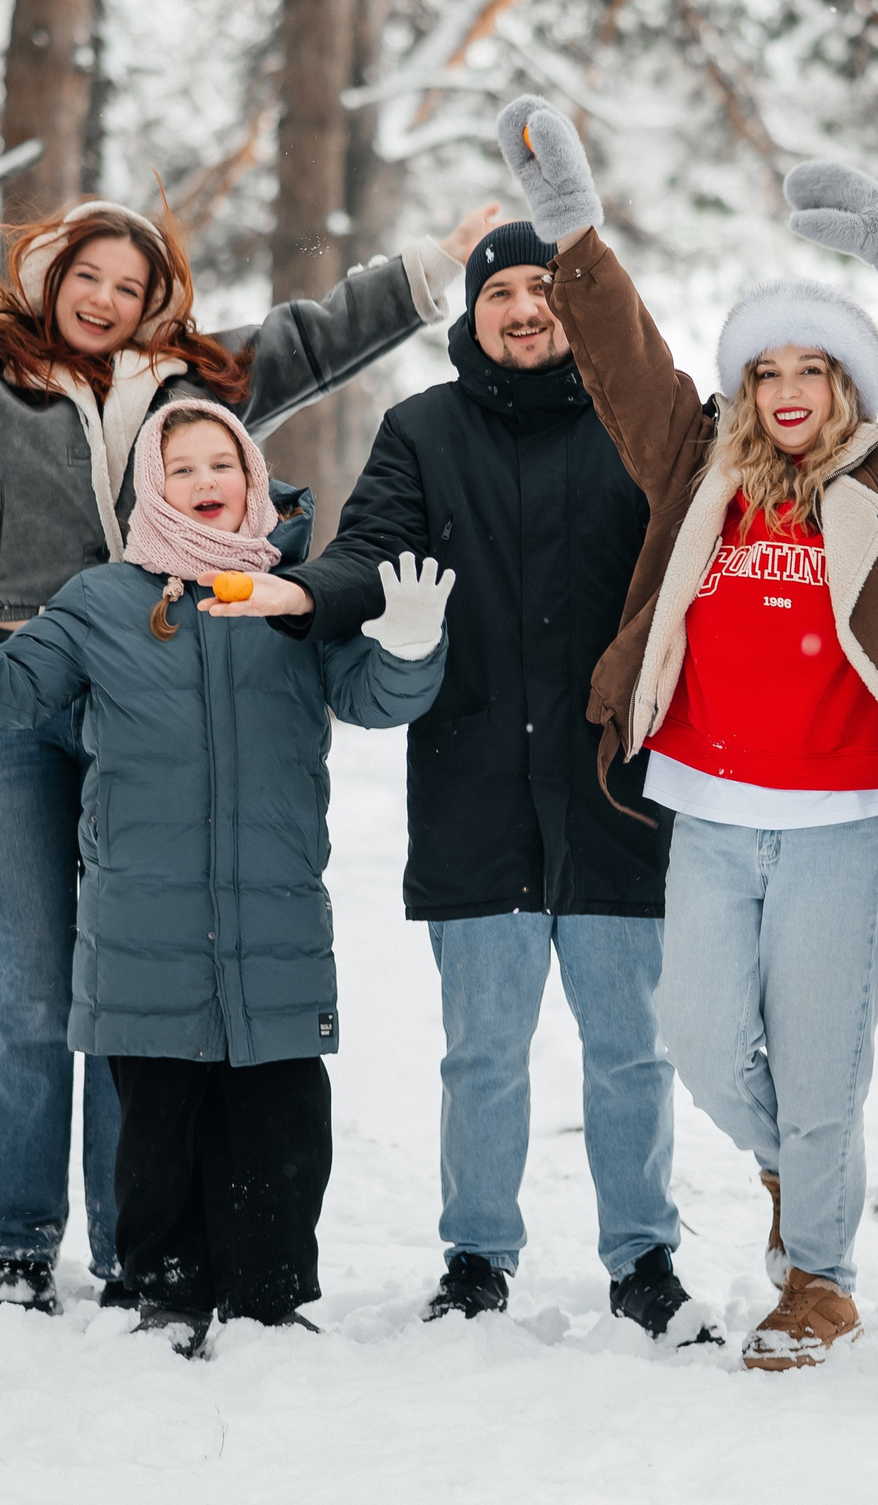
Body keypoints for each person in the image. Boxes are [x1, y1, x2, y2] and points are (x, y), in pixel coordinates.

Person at [0, 120, 493, 1312]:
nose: (106, 298)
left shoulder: (199, 389)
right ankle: (13, 1235)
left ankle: (130, 1240)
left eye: (132, 283)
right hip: (9, 691)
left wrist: (433, 268)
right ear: (45, 279)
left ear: (159, 300)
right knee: (38, 985)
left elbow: (323, 335)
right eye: (87, 276)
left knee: (128, 981)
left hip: (156, 694)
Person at [498, 97, 878, 1368]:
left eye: (811, 369)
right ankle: (805, 1175)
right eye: (766, 371)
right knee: (701, 1039)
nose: (785, 391)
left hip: (836, 824)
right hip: (711, 817)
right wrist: (573, 234)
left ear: (846, 386)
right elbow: (623, 362)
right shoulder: (698, 476)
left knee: (826, 1067)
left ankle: (819, 1276)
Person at [0, 402, 453, 1356]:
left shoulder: (294, 599)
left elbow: (375, 697)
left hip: (272, 925)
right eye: (181, 465)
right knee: (155, 1135)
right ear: (152, 486)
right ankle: (165, 1299)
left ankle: (272, 1303)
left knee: (281, 1129)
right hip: (144, 932)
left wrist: (407, 644)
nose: (204, 480)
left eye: (220, 463)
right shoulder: (102, 600)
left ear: (250, 477)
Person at [209, 213, 703, 1343]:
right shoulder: (422, 430)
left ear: (580, 303)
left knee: (630, 1048)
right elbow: (366, 546)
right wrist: (305, 594)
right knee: (482, 1048)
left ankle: (644, 1258)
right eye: (500, 294)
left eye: (544, 288)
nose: (525, 308)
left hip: (615, 791)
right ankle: (477, 1254)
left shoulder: (642, 427)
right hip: (476, 784)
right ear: (473, 318)